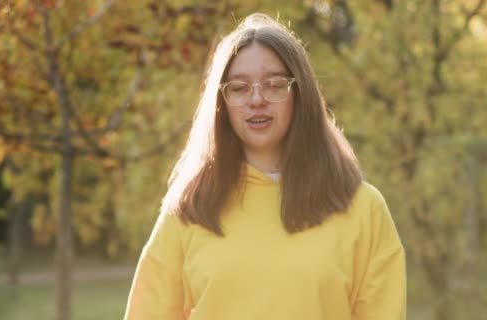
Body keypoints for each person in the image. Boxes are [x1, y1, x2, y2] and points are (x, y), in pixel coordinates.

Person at [123, 13, 405, 320]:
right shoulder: (190, 209)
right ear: (221, 102)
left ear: (301, 94)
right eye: (240, 88)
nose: (256, 99)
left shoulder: (362, 209)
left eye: (274, 84)